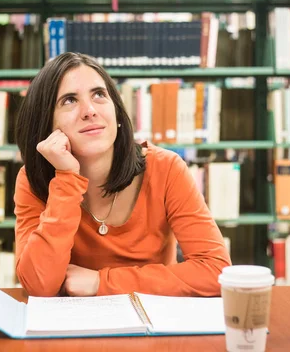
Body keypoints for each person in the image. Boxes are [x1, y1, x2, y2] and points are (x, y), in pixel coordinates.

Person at [14, 52, 231, 298]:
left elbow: (217, 271)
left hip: (155, 324)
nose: (90, 110)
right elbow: (38, 286)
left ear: (116, 112)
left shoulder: (166, 168)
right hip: (75, 328)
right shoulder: (32, 180)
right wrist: (66, 178)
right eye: (69, 100)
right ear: (45, 124)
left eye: (99, 95)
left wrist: (101, 282)